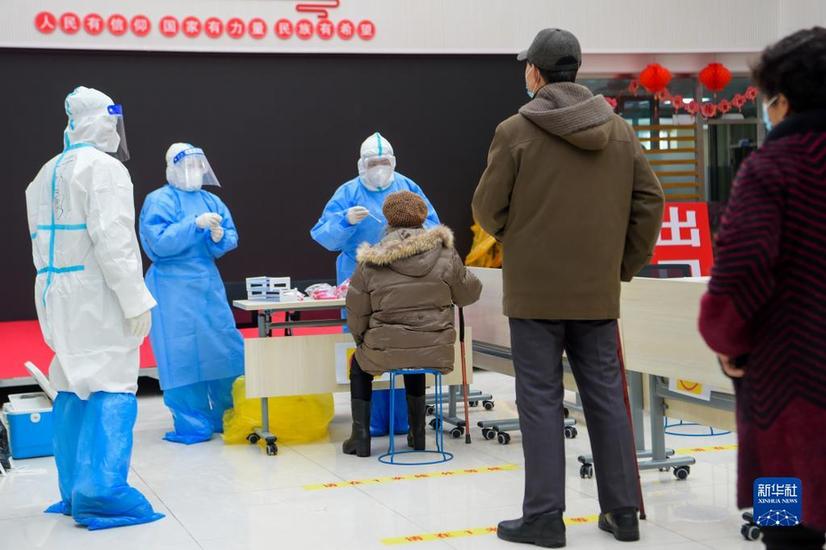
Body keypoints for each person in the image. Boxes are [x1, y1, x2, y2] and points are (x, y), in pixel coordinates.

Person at [473, 29, 665, 547]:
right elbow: (650, 201)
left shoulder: (514, 131)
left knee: (539, 399)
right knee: (606, 397)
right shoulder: (619, 130)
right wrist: (622, 264)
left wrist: (521, 238)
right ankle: (622, 513)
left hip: (534, 293)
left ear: (535, 73)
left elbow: (486, 210)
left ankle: (544, 517)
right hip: (596, 292)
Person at [699, 27, 826, 550]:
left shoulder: (771, 169)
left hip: (785, 394)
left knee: (785, 530)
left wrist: (728, 344)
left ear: (783, 100)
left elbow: (739, 276)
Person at [25, 86, 163, 530]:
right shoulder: (104, 169)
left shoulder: (46, 171)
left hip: (55, 291)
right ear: (99, 120)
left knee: (71, 383)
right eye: (111, 120)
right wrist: (135, 299)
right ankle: (102, 494)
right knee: (111, 382)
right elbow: (114, 241)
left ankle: (72, 490)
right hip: (98, 293)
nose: (115, 130)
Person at [311, 132, 441, 438]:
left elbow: (433, 226)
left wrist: (414, 231)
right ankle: (371, 422)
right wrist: (345, 221)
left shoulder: (407, 188)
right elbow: (323, 235)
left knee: (401, 347)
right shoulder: (348, 193)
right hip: (359, 280)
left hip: (402, 279)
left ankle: (402, 420)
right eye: (373, 163)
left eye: (384, 162)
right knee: (366, 349)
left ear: (393, 162)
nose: (379, 168)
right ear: (361, 165)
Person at [344, 191, 482, 457]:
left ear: (388, 219)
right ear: (422, 217)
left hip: (385, 345)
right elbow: (469, 294)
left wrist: (362, 341)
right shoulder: (445, 253)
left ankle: (360, 439)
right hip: (435, 346)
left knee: (359, 367)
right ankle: (417, 434)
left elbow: (357, 311)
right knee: (417, 354)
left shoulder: (371, 259)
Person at [139, 143, 243, 445]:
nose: (194, 171)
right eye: (188, 166)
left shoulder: (211, 200)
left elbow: (230, 236)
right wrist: (192, 225)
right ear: (172, 169)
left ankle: (229, 416)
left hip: (206, 282)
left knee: (222, 347)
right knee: (181, 352)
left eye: (199, 166)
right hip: (171, 285)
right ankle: (192, 423)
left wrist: (219, 237)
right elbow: (158, 243)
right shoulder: (159, 200)